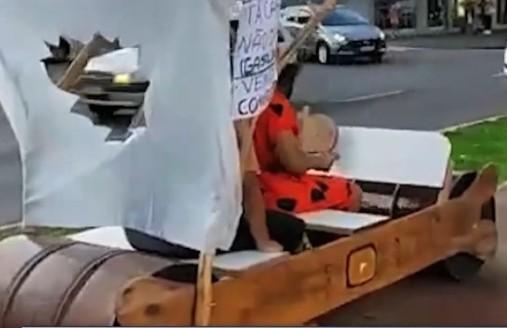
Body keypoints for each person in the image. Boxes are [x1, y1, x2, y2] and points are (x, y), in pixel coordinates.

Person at [125, 123, 306, 258]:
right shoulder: (229, 124)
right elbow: (249, 188)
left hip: (137, 231)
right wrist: (263, 240)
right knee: (290, 228)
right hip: (181, 236)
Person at [253, 63, 362, 214]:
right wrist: (320, 161)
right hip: (268, 190)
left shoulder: (248, 103)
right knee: (351, 191)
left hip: (245, 187)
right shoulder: (277, 107)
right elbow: (293, 163)